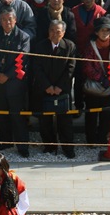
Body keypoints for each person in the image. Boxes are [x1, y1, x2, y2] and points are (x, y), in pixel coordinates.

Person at [0, 6, 31, 157]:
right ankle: (5, 141)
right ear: (0, 21)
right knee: (1, 114)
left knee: (17, 115)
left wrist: (8, 75)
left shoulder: (23, 37)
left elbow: (23, 59)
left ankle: (22, 146)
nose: (7, 22)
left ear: (15, 20)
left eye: (9, 19)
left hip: (15, 82)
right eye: (3, 20)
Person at [31, 20, 77, 158]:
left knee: (65, 121)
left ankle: (68, 148)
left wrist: (59, 87)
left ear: (63, 33)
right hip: (44, 89)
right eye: (52, 30)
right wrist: (47, 86)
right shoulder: (40, 46)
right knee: (45, 121)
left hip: (62, 89)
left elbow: (71, 68)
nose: (55, 34)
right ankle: (49, 146)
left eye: (58, 31)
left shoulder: (69, 46)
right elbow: (36, 68)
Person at [81, 16, 110, 145]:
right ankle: (91, 140)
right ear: (96, 32)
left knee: (106, 115)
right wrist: (100, 78)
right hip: (94, 86)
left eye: (107, 30)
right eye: (102, 30)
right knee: (91, 114)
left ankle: (103, 138)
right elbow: (87, 66)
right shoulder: (89, 46)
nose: (105, 33)